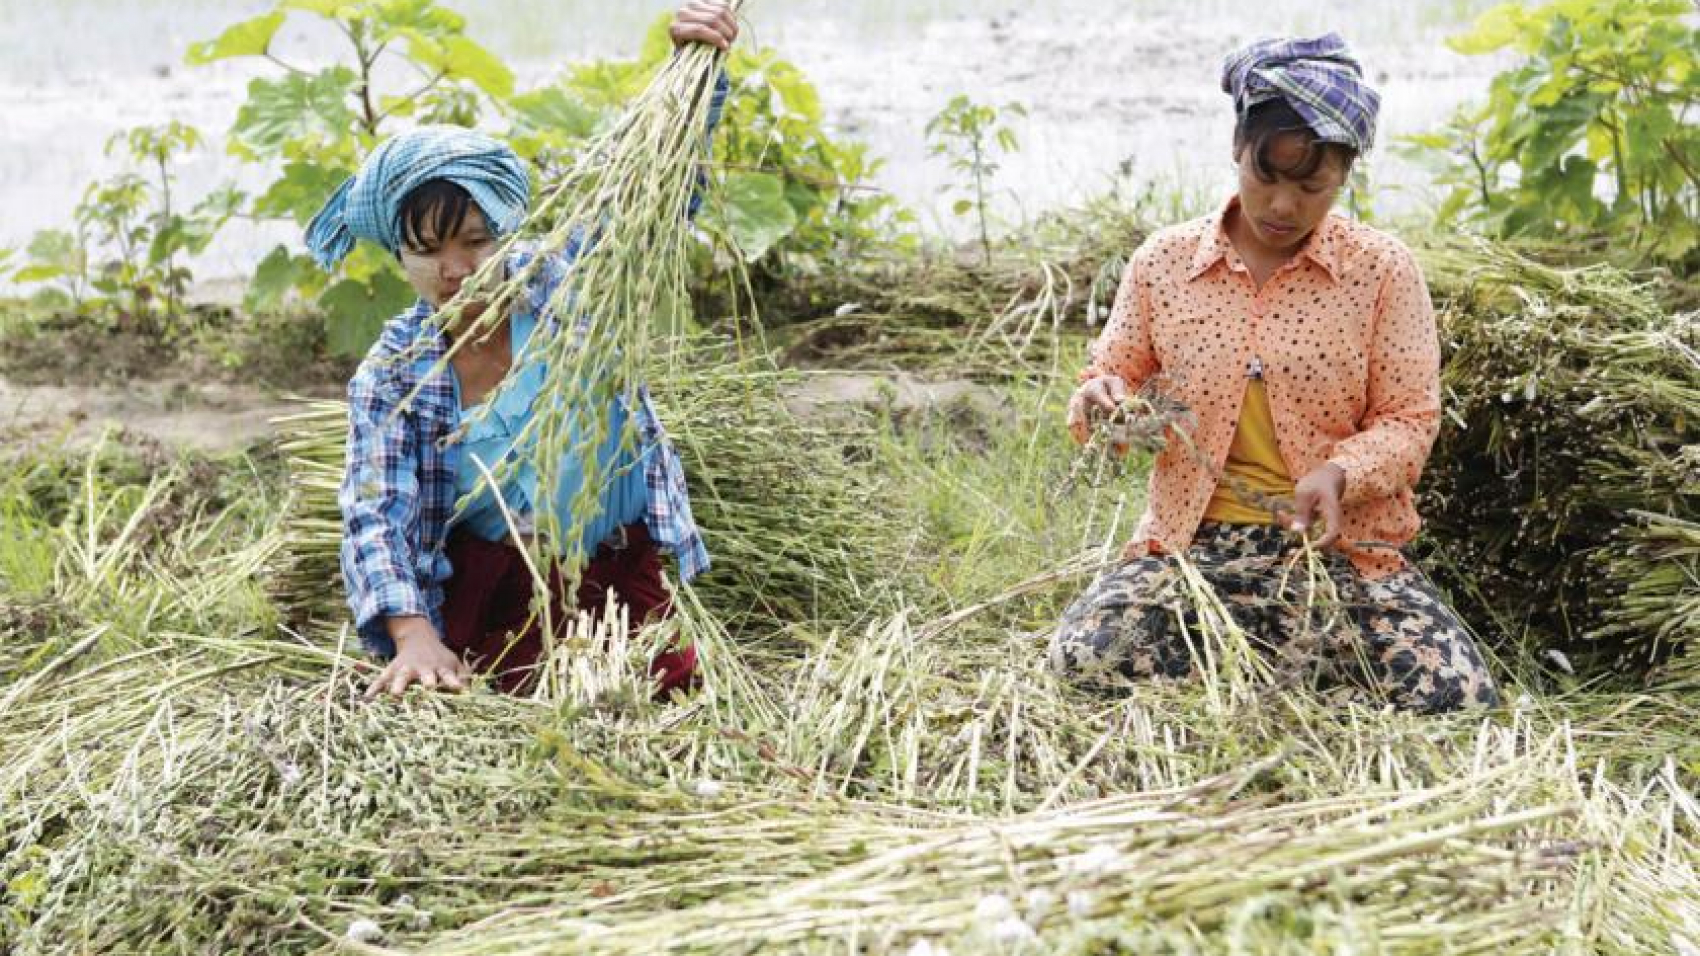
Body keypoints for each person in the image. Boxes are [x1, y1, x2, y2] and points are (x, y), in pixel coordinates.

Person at [1051, 35, 1499, 714]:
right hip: (1193, 549)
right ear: (1237, 146)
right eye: (1266, 176)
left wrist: (1338, 476)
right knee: (1084, 660)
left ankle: (1261, 664)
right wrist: (1102, 400)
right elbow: (1111, 372)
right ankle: (1270, 666)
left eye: (1310, 186)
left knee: (1454, 695)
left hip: (1337, 554)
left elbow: (1411, 421)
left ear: (1344, 176)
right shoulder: (1165, 263)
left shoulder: (1380, 271)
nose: (1283, 206)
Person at [312, 1, 741, 699]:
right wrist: (414, 632)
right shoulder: (393, 375)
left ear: (511, 231)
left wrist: (694, 70)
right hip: (499, 593)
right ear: (400, 255)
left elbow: (655, 199)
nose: (456, 269)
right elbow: (375, 512)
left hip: (614, 571)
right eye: (427, 249)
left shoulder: (571, 283)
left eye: (478, 241)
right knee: (514, 709)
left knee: (657, 700)